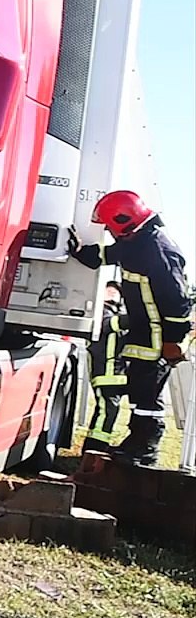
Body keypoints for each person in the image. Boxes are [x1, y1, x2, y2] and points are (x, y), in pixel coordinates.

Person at [68, 190, 192, 465]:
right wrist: (78, 252)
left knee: (148, 398)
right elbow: (106, 255)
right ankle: (135, 444)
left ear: (123, 223)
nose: (109, 233)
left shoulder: (158, 249)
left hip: (158, 342)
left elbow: (179, 302)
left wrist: (174, 342)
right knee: (139, 396)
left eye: (110, 227)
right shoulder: (136, 243)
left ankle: (145, 451)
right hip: (142, 337)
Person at [82, 281, 129, 454]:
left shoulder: (117, 311)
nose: (112, 294)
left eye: (115, 292)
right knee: (106, 411)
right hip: (103, 374)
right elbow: (110, 324)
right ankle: (93, 450)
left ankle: (99, 448)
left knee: (110, 411)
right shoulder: (100, 311)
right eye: (108, 291)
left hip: (115, 375)